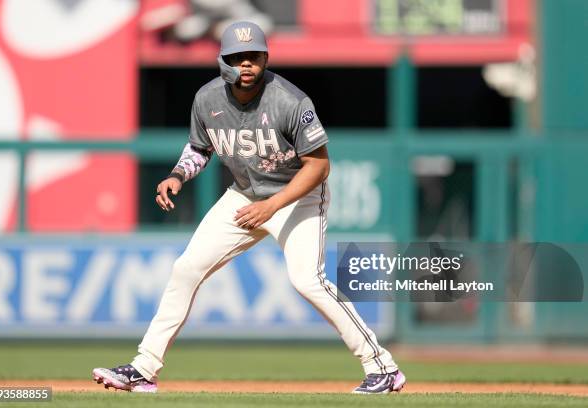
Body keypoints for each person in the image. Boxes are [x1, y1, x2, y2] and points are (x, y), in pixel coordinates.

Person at [92, 21, 405, 395]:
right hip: (244, 195)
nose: (246, 64)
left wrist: (272, 205)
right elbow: (199, 147)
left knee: (308, 280)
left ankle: (383, 367)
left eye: (253, 56)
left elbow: (319, 167)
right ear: (222, 61)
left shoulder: (290, 100)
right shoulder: (207, 99)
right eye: (237, 57)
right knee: (186, 269)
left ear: (265, 59)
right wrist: (178, 174)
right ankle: (144, 369)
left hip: (296, 196)